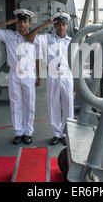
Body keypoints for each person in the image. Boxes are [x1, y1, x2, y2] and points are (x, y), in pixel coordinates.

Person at [0, 9, 40, 145]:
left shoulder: (35, 38)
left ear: (29, 23)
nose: (22, 24)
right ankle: (18, 132)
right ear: (16, 23)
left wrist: (39, 76)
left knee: (30, 104)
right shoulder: (8, 35)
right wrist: (8, 22)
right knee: (15, 103)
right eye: (20, 21)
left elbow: (38, 59)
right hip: (14, 74)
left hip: (29, 74)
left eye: (25, 21)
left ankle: (28, 132)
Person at [27, 12, 74, 146]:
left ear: (67, 26)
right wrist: (43, 25)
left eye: (63, 24)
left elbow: (76, 61)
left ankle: (66, 134)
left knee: (68, 106)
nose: (61, 27)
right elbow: (30, 38)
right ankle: (56, 133)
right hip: (53, 75)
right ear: (54, 26)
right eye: (58, 24)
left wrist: (76, 81)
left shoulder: (71, 41)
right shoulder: (47, 38)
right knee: (53, 104)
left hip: (67, 75)